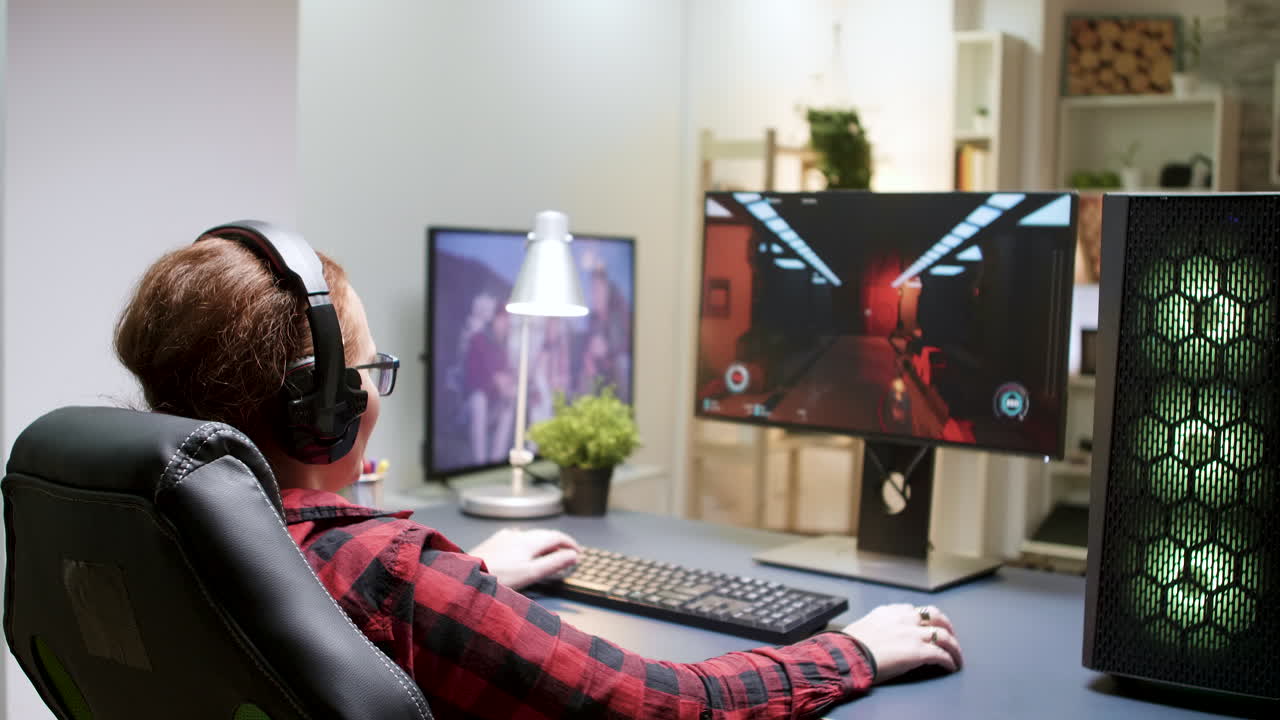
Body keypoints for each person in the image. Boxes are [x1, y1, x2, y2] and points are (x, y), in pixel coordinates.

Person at [115, 233, 963, 720]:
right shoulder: (390, 578)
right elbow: (662, 705)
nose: (375, 391)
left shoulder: (156, 531)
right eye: (371, 370)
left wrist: (466, 576)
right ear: (323, 408)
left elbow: (315, 609)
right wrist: (853, 651)